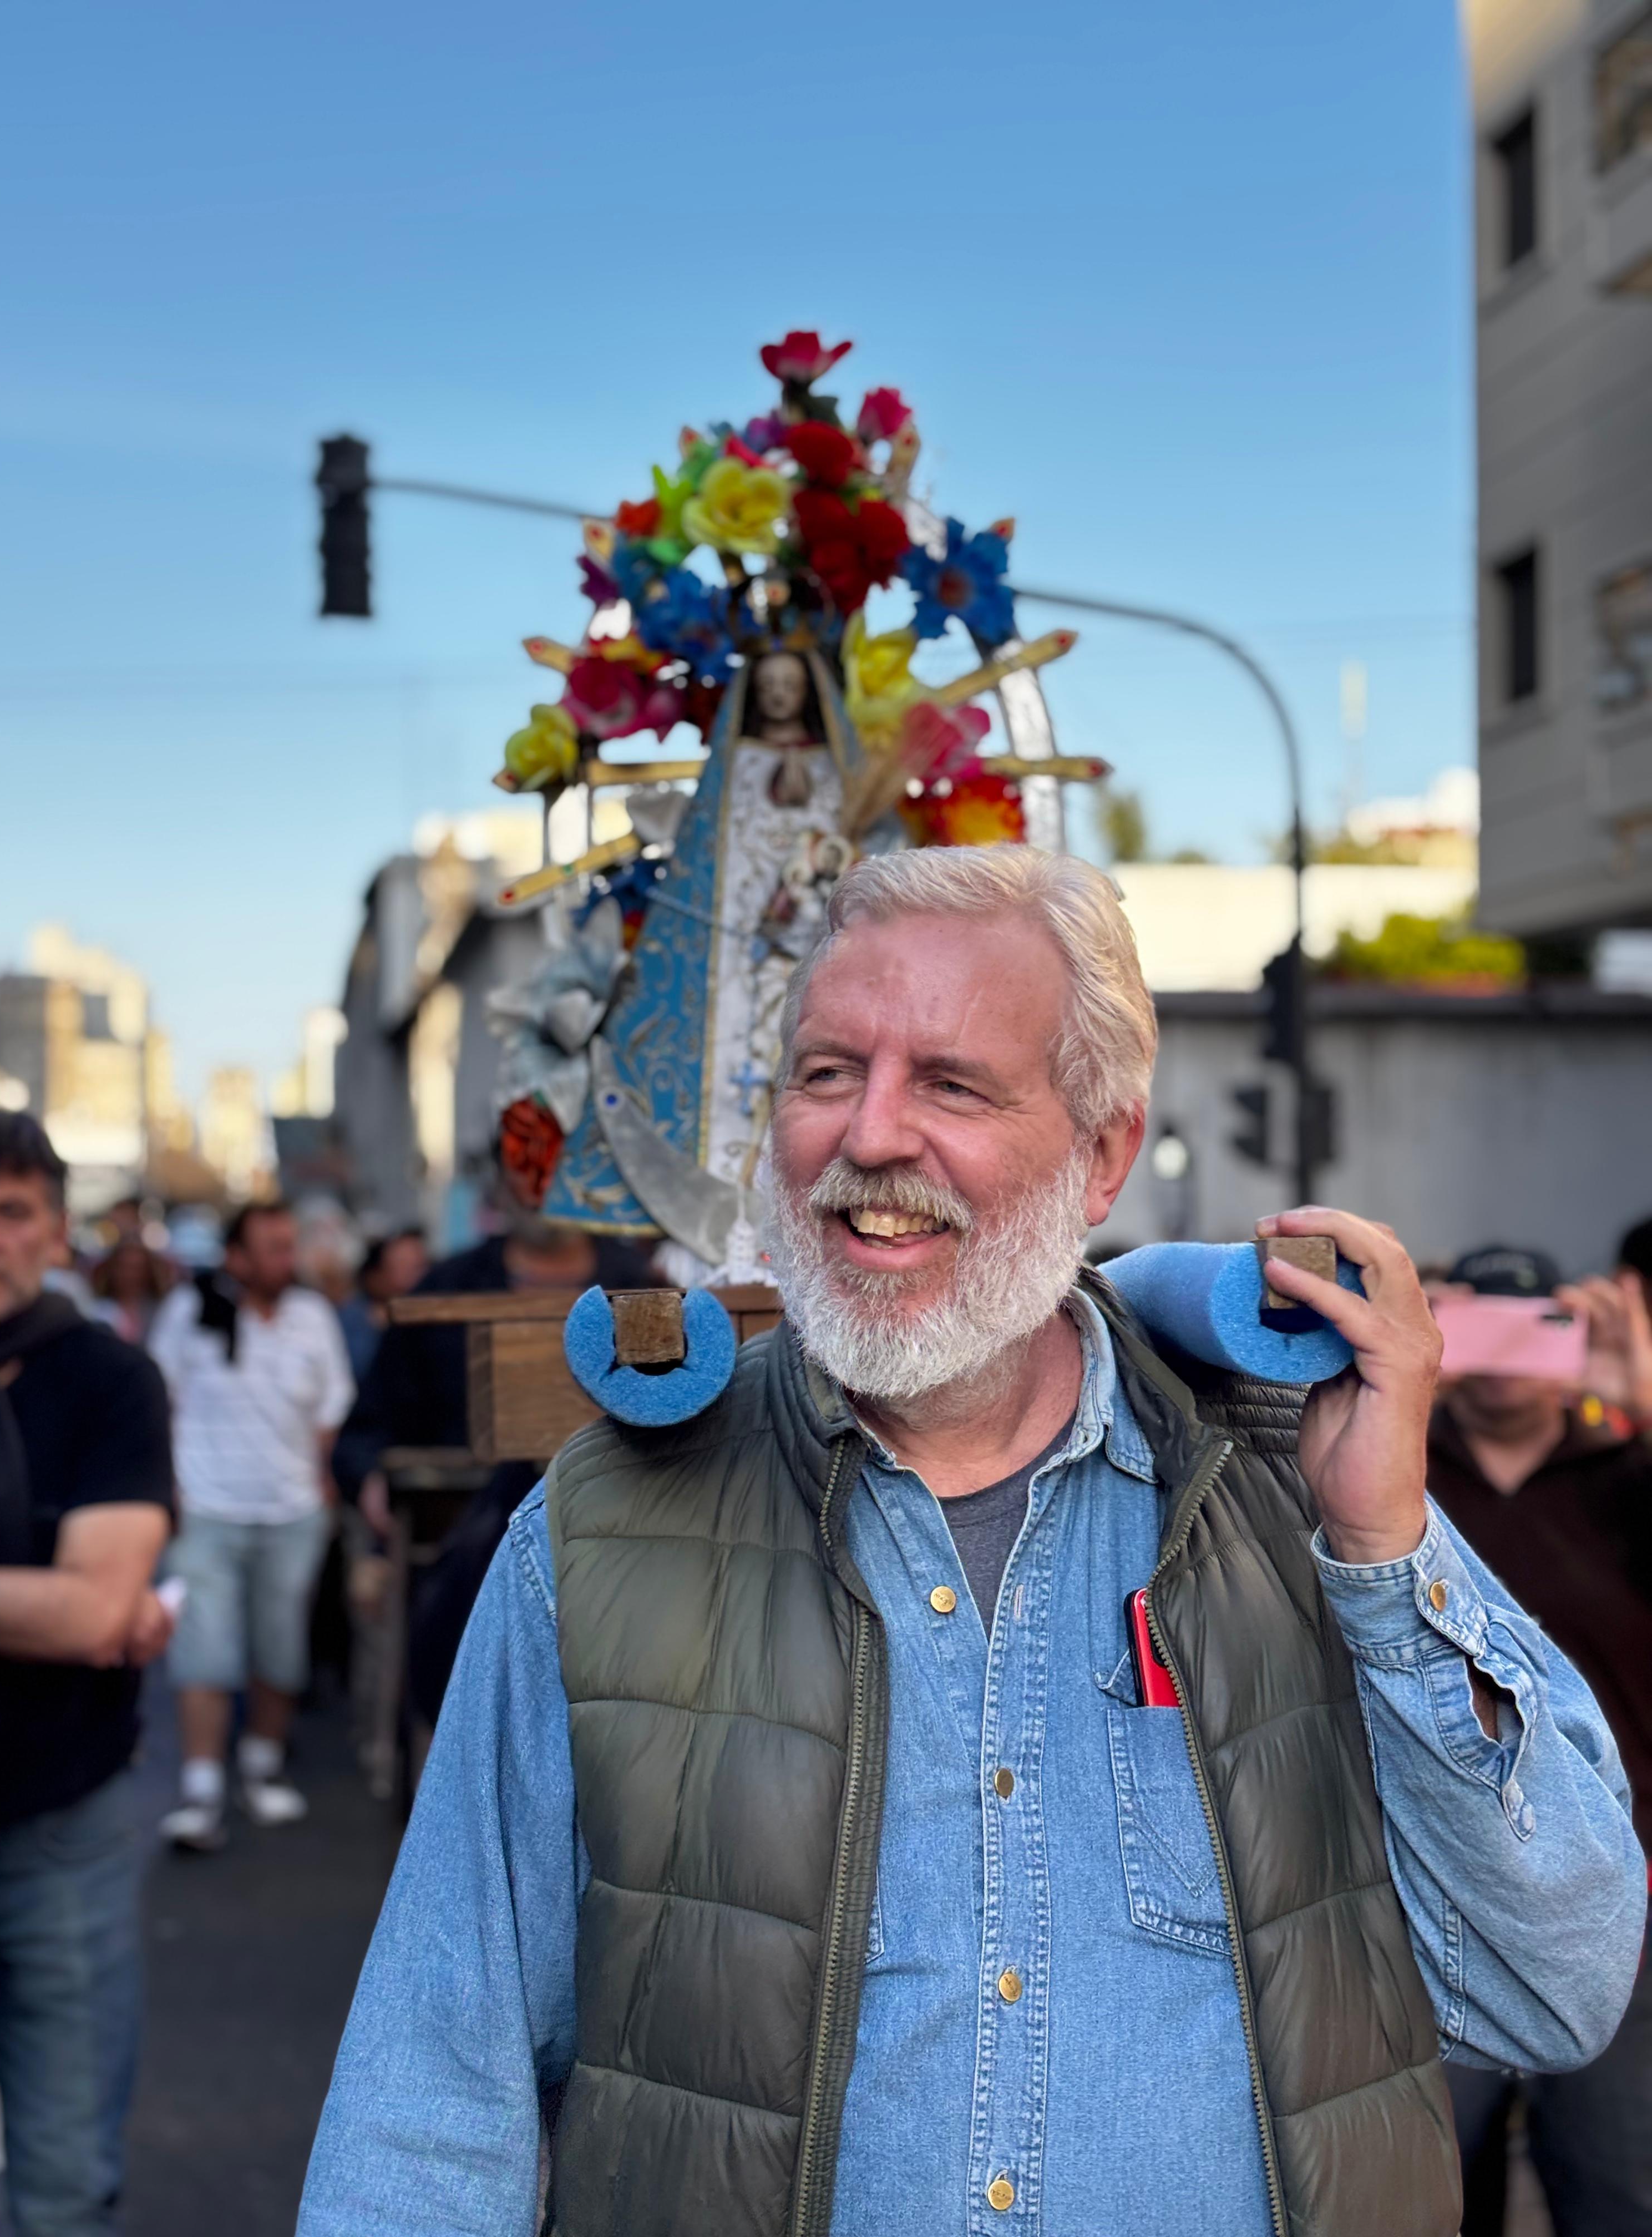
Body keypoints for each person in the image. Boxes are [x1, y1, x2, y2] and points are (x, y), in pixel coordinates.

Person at [299, 848, 1645, 2237]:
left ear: (1105, 1151)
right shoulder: (598, 1532)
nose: (870, 1137)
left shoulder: (1306, 1511)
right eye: (827, 1074)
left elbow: (1551, 1986)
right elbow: (431, 2100)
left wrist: (1383, 1548)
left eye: (951, 1084)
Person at [1425, 1242, 1652, 2236]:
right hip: (1427, 1900)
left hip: (1615, 1899)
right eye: (1478, 1321)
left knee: (1618, 2189)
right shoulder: (1385, 1473)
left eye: (1534, 1326)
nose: (1505, 1354)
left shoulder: (1623, 1475)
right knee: (1421, 2196)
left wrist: (1636, 1399)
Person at [0, 1114, 175, 2236]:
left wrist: (86, 1612)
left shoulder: (107, 1379)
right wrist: (43, 1607)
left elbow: (96, 1608)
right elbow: (74, 1609)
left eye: (9, 1213)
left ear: (56, 1231)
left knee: (62, 2183)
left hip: (62, 1818)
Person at [332, 1188, 650, 1729]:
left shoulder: (644, 1284)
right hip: (467, 1548)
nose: (542, 1187)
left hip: (624, 1552)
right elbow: (369, 1424)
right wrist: (371, 1480)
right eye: (527, 1169)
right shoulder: (449, 1286)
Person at [149, 1198, 354, 1850]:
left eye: (289, 1245)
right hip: (205, 1511)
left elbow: (333, 1404)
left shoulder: (312, 1317)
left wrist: (320, 1476)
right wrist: (168, 1491)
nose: (285, 1259)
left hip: (291, 1513)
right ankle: (202, 1790)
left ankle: (262, 1768)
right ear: (236, 1256)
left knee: (280, 1648)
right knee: (203, 1651)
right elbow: (158, 1398)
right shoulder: (191, 1311)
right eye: (271, 1246)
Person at [335, 1227, 429, 1388]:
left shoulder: (433, 1320)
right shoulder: (353, 1319)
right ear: (376, 1273)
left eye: (420, 1266)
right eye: (404, 1266)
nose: (418, 1276)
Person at [88, 1232, 174, 1345]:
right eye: (124, 1267)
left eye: (137, 1268)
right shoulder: (97, 1310)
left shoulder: (163, 1309)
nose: (130, 1275)